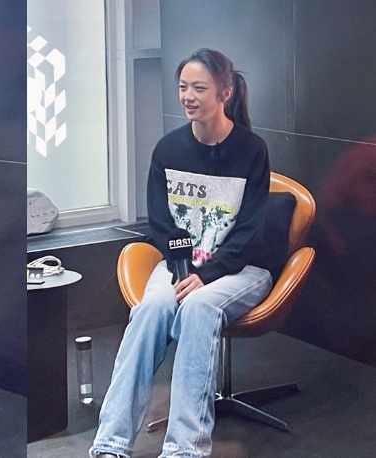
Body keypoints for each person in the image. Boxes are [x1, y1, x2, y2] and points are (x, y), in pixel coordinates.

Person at [90, 48, 273, 458]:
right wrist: (183, 268)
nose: (188, 96)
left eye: (199, 88)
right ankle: (111, 443)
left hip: (243, 268)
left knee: (198, 306)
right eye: (183, 87)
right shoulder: (168, 149)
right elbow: (162, 224)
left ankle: (184, 449)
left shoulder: (252, 150)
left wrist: (206, 275)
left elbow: (249, 232)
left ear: (225, 92)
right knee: (151, 309)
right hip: (181, 265)